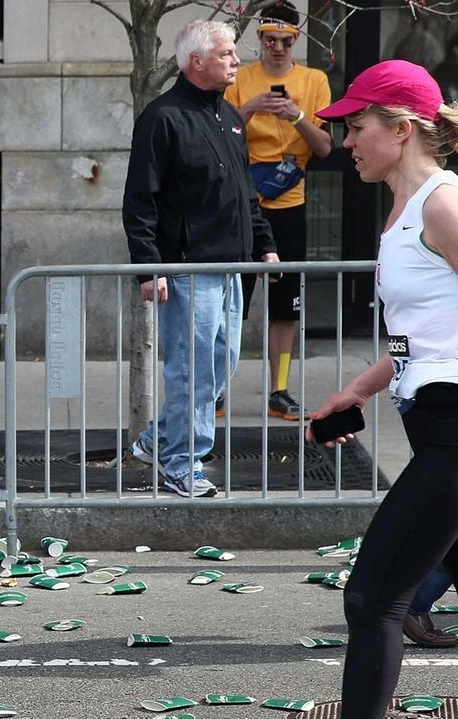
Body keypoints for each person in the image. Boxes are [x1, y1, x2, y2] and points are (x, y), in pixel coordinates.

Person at [309, 59, 458, 719]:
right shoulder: (402, 213)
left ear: (400, 129)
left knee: (372, 600)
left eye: (356, 125)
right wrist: (362, 389)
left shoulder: (442, 202)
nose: (346, 141)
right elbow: (416, 334)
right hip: (430, 421)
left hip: (454, 433)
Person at [123, 20, 279, 498]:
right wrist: (151, 265)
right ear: (197, 61)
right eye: (227, 54)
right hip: (187, 267)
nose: (237, 61)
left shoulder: (229, 117)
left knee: (221, 364)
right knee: (192, 370)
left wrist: (264, 240)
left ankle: (157, 440)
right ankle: (181, 463)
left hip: (231, 266)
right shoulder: (162, 117)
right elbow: (140, 198)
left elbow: (243, 192)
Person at [224, 1, 332, 421]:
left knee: (286, 304)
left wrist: (297, 115)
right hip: (244, 204)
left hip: (290, 204)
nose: (277, 48)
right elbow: (219, 135)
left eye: (284, 41)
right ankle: (216, 389)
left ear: (295, 40)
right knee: (232, 299)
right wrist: (251, 107)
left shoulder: (314, 80)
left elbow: (324, 147)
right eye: (269, 40)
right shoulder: (241, 79)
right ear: (260, 40)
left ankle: (279, 390)